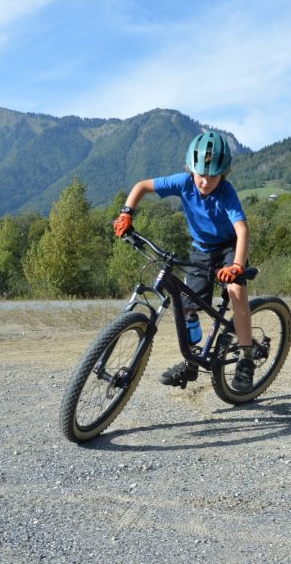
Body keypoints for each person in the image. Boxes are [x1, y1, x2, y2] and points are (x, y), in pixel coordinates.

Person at [112, 131, 255, 392]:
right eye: (201, 175)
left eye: (213, 176)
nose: (206, 182)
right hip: (201, 250)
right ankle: (192, 361)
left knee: (236, 290)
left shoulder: (226, 192)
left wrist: (236, 266)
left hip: (229, 248)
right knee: (186, 304)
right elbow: (141, 186)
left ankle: (246, 358)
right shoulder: (183, 182)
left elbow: (242, 230)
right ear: (191, 170)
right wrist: (126, 214)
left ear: (223, 174)